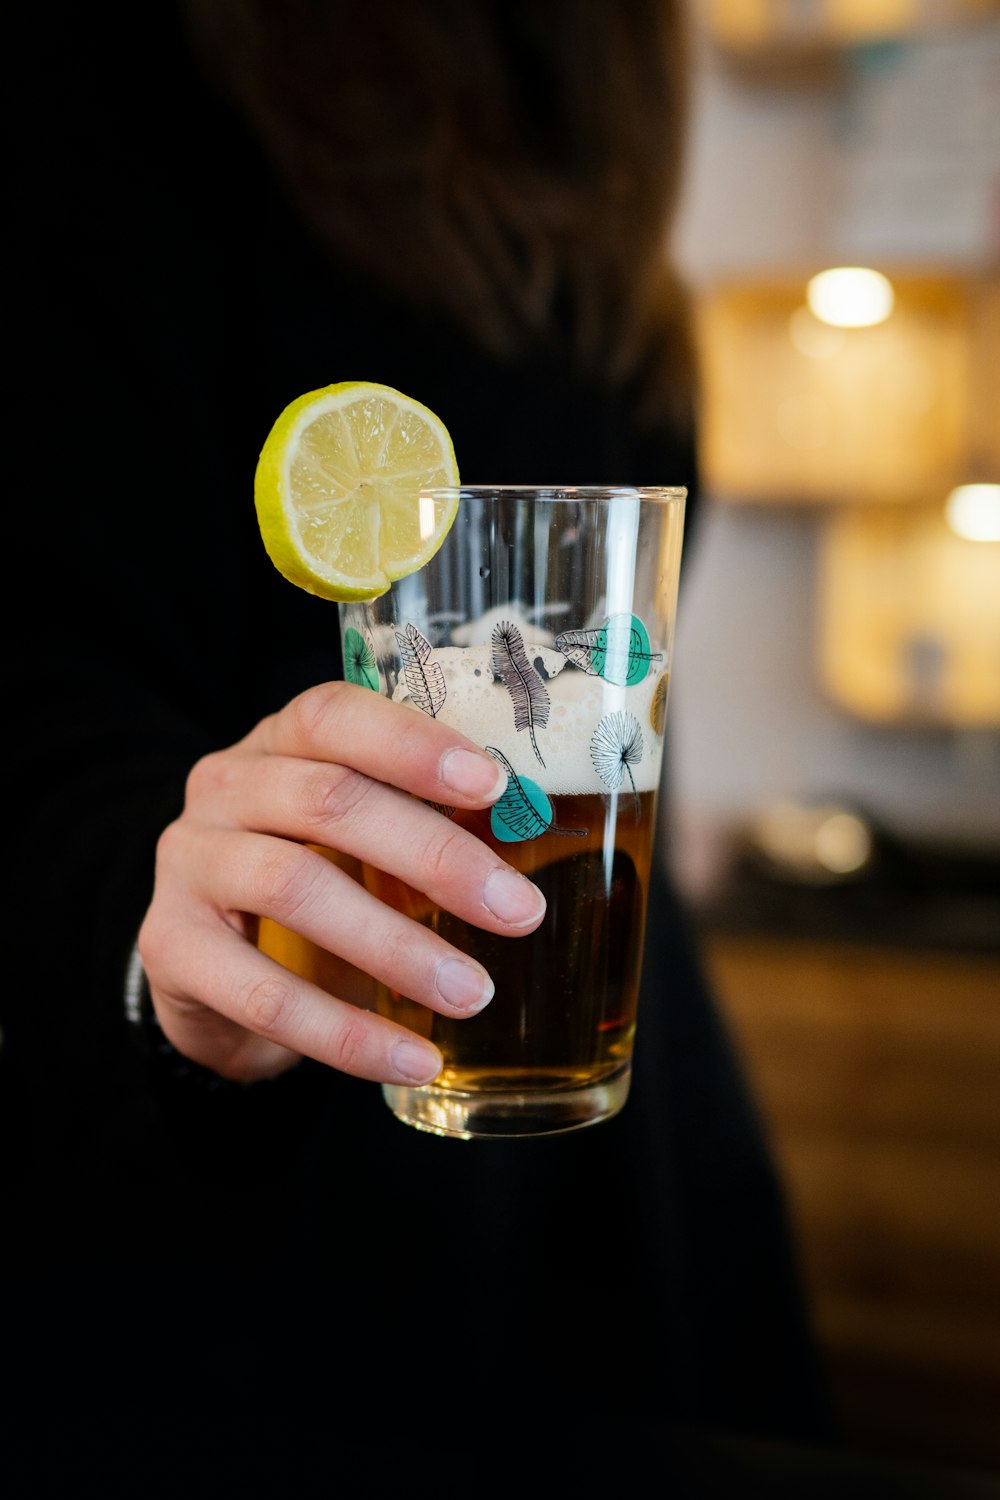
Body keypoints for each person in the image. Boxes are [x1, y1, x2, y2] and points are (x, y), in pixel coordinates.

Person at [7, 0, 835, 1485]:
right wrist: (164, 948)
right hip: (286, 1190)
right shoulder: (113, 68)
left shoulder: (593, 69)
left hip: (614, 1113)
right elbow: (42, 664)